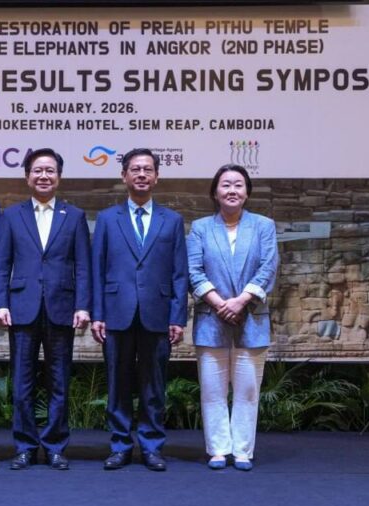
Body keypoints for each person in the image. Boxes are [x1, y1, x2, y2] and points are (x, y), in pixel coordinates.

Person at [0, 148, 91, 470]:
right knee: (22, 383)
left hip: (62, 308)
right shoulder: (11, 215)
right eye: (38, 170)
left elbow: (83, 266)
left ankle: (55, 447)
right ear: (27, 177)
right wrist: (0, 303)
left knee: (59, 382)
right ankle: (24, 446)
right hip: (21, 308)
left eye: (50, 171)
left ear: (59, 177)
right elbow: (1, 264)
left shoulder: (73, 216)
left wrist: (83, 306)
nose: (44, 176)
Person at [90, 148, 188, 471]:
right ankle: (120, 445)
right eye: (135, 169)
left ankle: (151, 446)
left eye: (148, 169)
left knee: (153, 385)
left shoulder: (172, 220)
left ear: (157, 176)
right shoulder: (107, 219)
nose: (142, 174)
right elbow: (97, 269)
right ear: (124, 176)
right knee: (117, 384)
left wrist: (177, 317)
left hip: (157, 314)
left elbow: (179, 273)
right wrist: (97, 314)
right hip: (116, 313)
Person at [186, 164, 278, 471]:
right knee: (212, 391)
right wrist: (219, 303)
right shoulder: (201, 228)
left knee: (247, 391)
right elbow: (193, 270)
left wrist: (241, 301)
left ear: (247, 192)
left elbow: (268, 267)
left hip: (252, 317)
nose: (232, 190)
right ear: (215, 192)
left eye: (238, 185)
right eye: (225, 185)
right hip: (211, 319)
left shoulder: (263, 226)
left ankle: (241, 451)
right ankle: (218, 450)